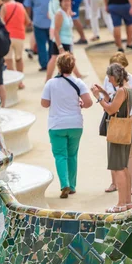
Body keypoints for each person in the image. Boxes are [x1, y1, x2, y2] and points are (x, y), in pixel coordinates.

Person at [41, 53, 93, 198]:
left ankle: (64, 184)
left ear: (58, 66)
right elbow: (88, 102)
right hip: (75, 124)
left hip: (56, 124)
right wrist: (80, 103)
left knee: (60, 155)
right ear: (72, 66)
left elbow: (44, 103)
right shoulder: (79, 83)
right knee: (72, 155)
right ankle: (73, 185)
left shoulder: (51, 83)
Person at [91, 63, 132, 213]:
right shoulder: (128, 89)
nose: (109, 82)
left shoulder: (122, 91)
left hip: (117, 132)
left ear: (115, 77)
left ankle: (121, 203)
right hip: (125, 130)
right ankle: (127, 201)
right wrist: (103, 92)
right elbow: (116, 102)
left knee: (118, 167)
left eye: (110, 79)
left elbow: (111, 108)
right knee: (124, 166)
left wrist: (98, 97)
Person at [101, 53, 132, 196]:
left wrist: (101, 99)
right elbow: (111, 98)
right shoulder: (112, 80)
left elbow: (114, 105)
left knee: (124, 156)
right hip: (115, 119)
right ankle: (116, 183)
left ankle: (128, 187)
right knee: (114, 154)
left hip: (124, 119)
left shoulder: (129, 83)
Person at [46, 0, 82, 80]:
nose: (67, 3)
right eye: (64, 1)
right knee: (58, 60)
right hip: (61, 41)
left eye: (68, 1)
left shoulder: (67, 12)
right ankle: (48, 79)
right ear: (61, 2)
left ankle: (78, 76)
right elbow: (56, 31)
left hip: (67, 40)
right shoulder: (59, 14)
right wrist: (60, 46)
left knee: (68, 60)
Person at [23, 0, 54, 71]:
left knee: (41, 44)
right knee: (51, 43)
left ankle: (44, 64)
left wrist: (27, 19)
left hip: (38, 20)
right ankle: (51, 62)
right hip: (52, 20)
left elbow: (27, 5)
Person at [0, 0, 30, 88]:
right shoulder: (20, 6)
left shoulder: (4, 7)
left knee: (8, 60)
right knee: (19, 58)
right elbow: (28, 21)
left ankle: (14, 81)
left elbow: (1, 22)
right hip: (20, 35)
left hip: (8, 36)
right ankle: (21, 81)